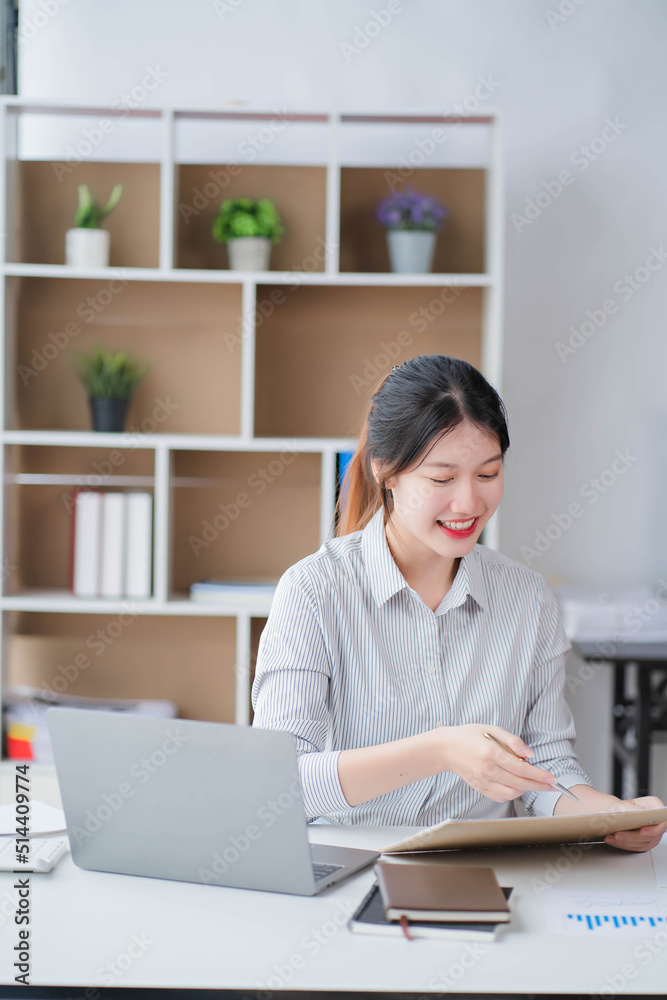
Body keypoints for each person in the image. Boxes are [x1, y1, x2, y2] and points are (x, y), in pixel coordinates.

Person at [251, 355, 666, 851]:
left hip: (479, 868)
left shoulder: (527, 599)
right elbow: (277, 786)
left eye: (488, 474)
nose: (468, 503)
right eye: (442, 479)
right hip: (346, 868)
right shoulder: (314, 592)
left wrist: (606, 816)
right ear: (386, 472)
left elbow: (547, 769)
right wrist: (441, 751)